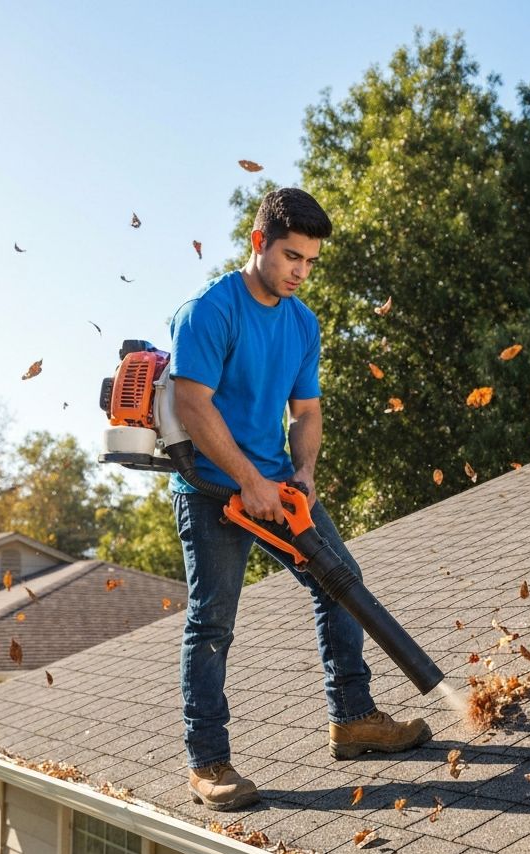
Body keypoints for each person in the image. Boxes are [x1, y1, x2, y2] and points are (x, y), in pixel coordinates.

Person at [169, 188, 431, 811]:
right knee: (213, 621)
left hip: (278, 487)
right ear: (258, 243)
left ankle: (354, 718)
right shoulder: (209, 309)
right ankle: (207, 763)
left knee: (342, 583)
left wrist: (304, 471)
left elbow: (306, 411)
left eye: (310, 261)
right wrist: (247, 481)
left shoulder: (302, 322)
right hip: (210, 489)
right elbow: (191, 405)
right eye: (291, 256)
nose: (300, 272)